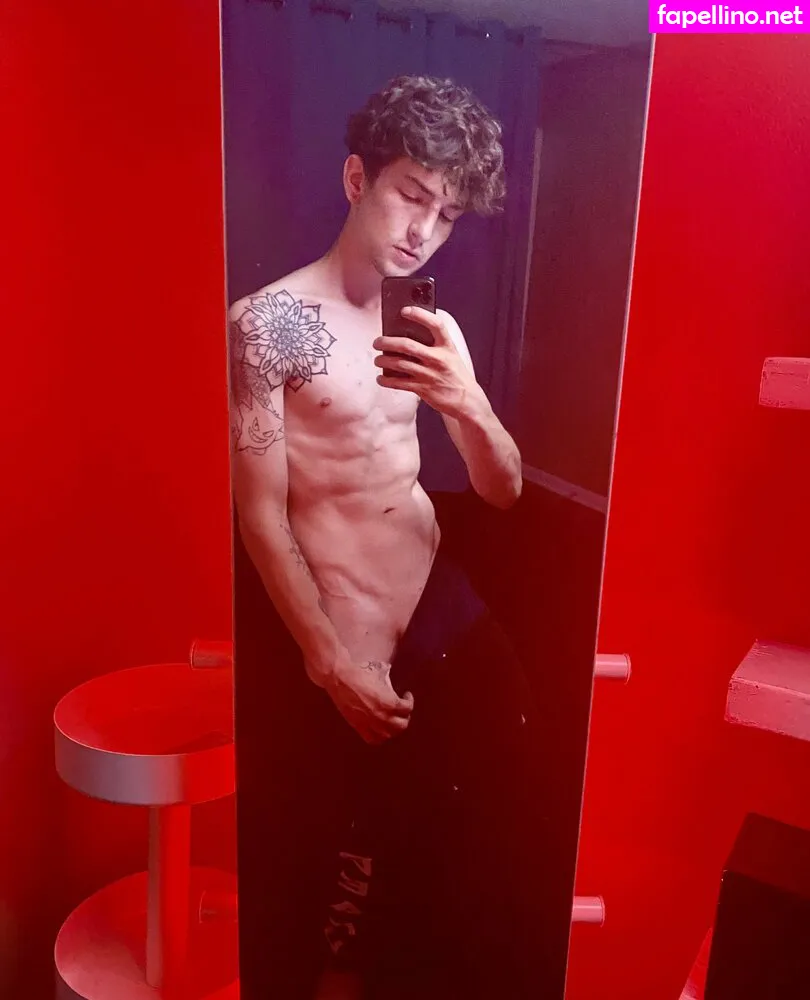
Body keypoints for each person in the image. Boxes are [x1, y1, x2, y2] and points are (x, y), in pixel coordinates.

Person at [229, 75, 541, 1000]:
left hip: (441, 602)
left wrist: (467, 401)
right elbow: (261, 515)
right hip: (348, 622)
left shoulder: (429, 326)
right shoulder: (267, 325)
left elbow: (504, 491)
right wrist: (329, 662)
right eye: (413, 195)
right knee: (340, 876)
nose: (424, 231)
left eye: (447, 215)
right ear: (357, 178)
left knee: (486, 817)